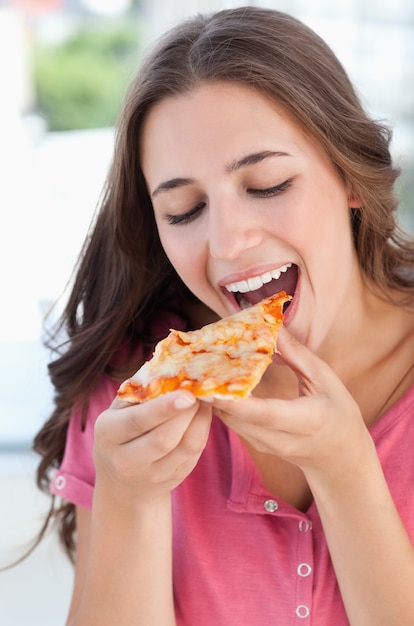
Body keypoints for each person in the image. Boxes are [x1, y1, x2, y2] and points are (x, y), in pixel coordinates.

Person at [33, 6, 414, 625]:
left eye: (266, 184)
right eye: (184, 210)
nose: (228, 242)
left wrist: (346, 470)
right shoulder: (134, 390)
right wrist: (131, 498)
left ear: (349, 174)